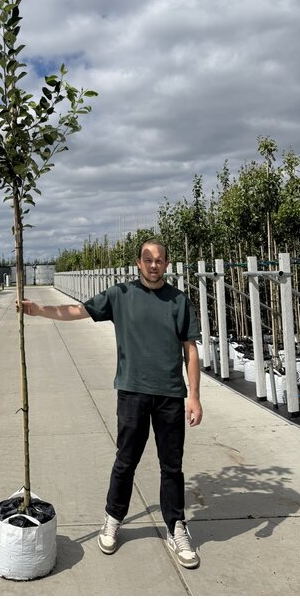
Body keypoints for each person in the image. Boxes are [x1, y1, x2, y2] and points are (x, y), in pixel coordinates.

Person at [21, 238, 203, 569]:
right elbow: (79, 310)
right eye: (147, 258)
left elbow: (190, 349)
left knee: (171, 466)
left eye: (159, 259)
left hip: (171, 396)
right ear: (138, 262)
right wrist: (40, 310)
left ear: (167, 264)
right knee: (125, 461)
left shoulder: (179, 301)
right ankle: (113, 518)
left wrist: (194, 396)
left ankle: (177, 526)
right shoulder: (121, 295)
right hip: (132, 392)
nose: (153, 264)